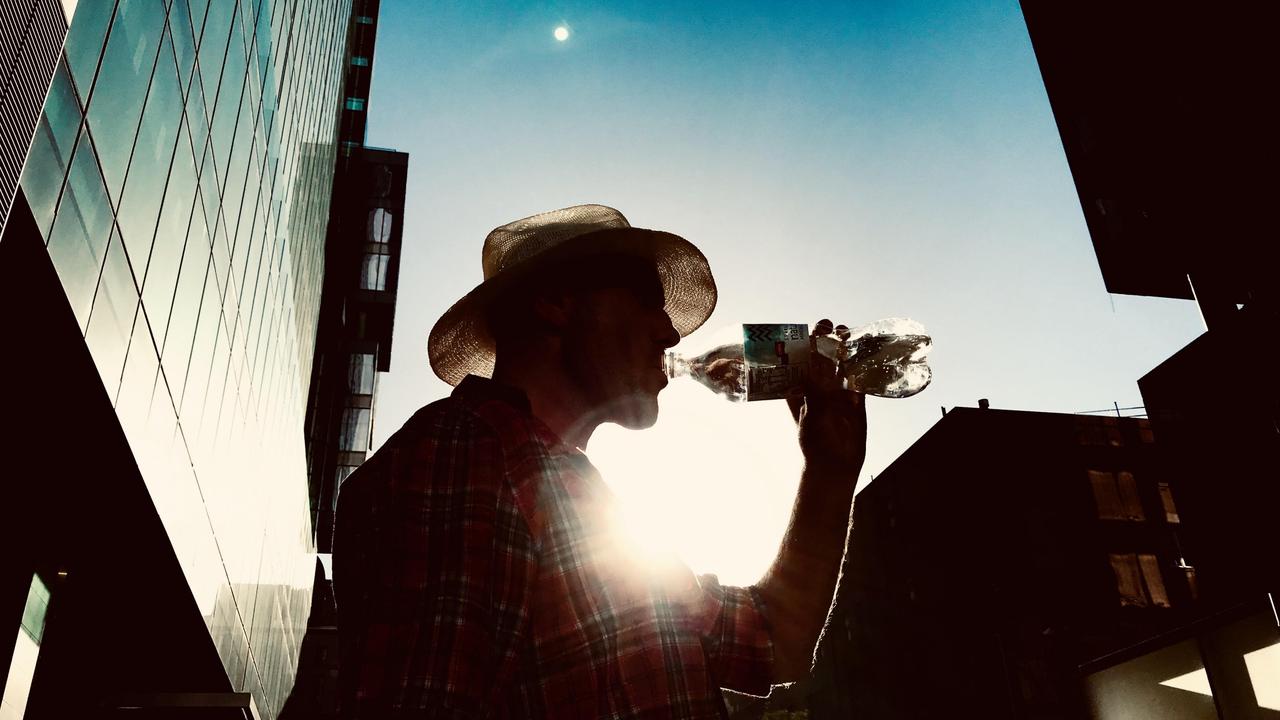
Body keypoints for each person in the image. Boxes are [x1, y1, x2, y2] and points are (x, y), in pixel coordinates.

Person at [333, 204, 867, 718]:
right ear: (555, 301)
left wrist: (829, 471)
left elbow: (772, 642)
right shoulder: (458, 455)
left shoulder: (576, 499)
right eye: (645, 299)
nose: (671, 333)